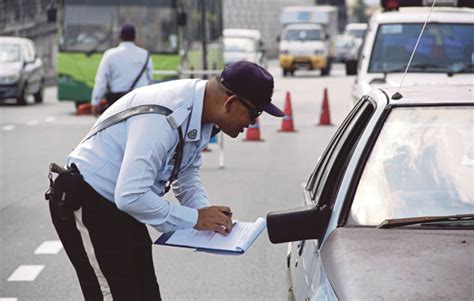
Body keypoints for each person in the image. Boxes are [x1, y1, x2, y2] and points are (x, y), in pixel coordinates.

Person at [47, 61, 285, 300]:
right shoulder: (166, 115)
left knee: (146, 293)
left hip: (122, 207)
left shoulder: (201, 114)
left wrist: (204, 213)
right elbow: (130, 195)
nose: (253, 122)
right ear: (230, 102)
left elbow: (186, 173)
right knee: (116, 294)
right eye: (255, 113)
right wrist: (196, 219)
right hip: (89, 202)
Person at [91, 23, 153, 116]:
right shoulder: (145, 54)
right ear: (135, 37)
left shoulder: (110, 54)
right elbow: (150, 80)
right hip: (141, 101)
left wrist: (95, 102)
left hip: (117, 102)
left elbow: (101, 80)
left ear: (120, 37)